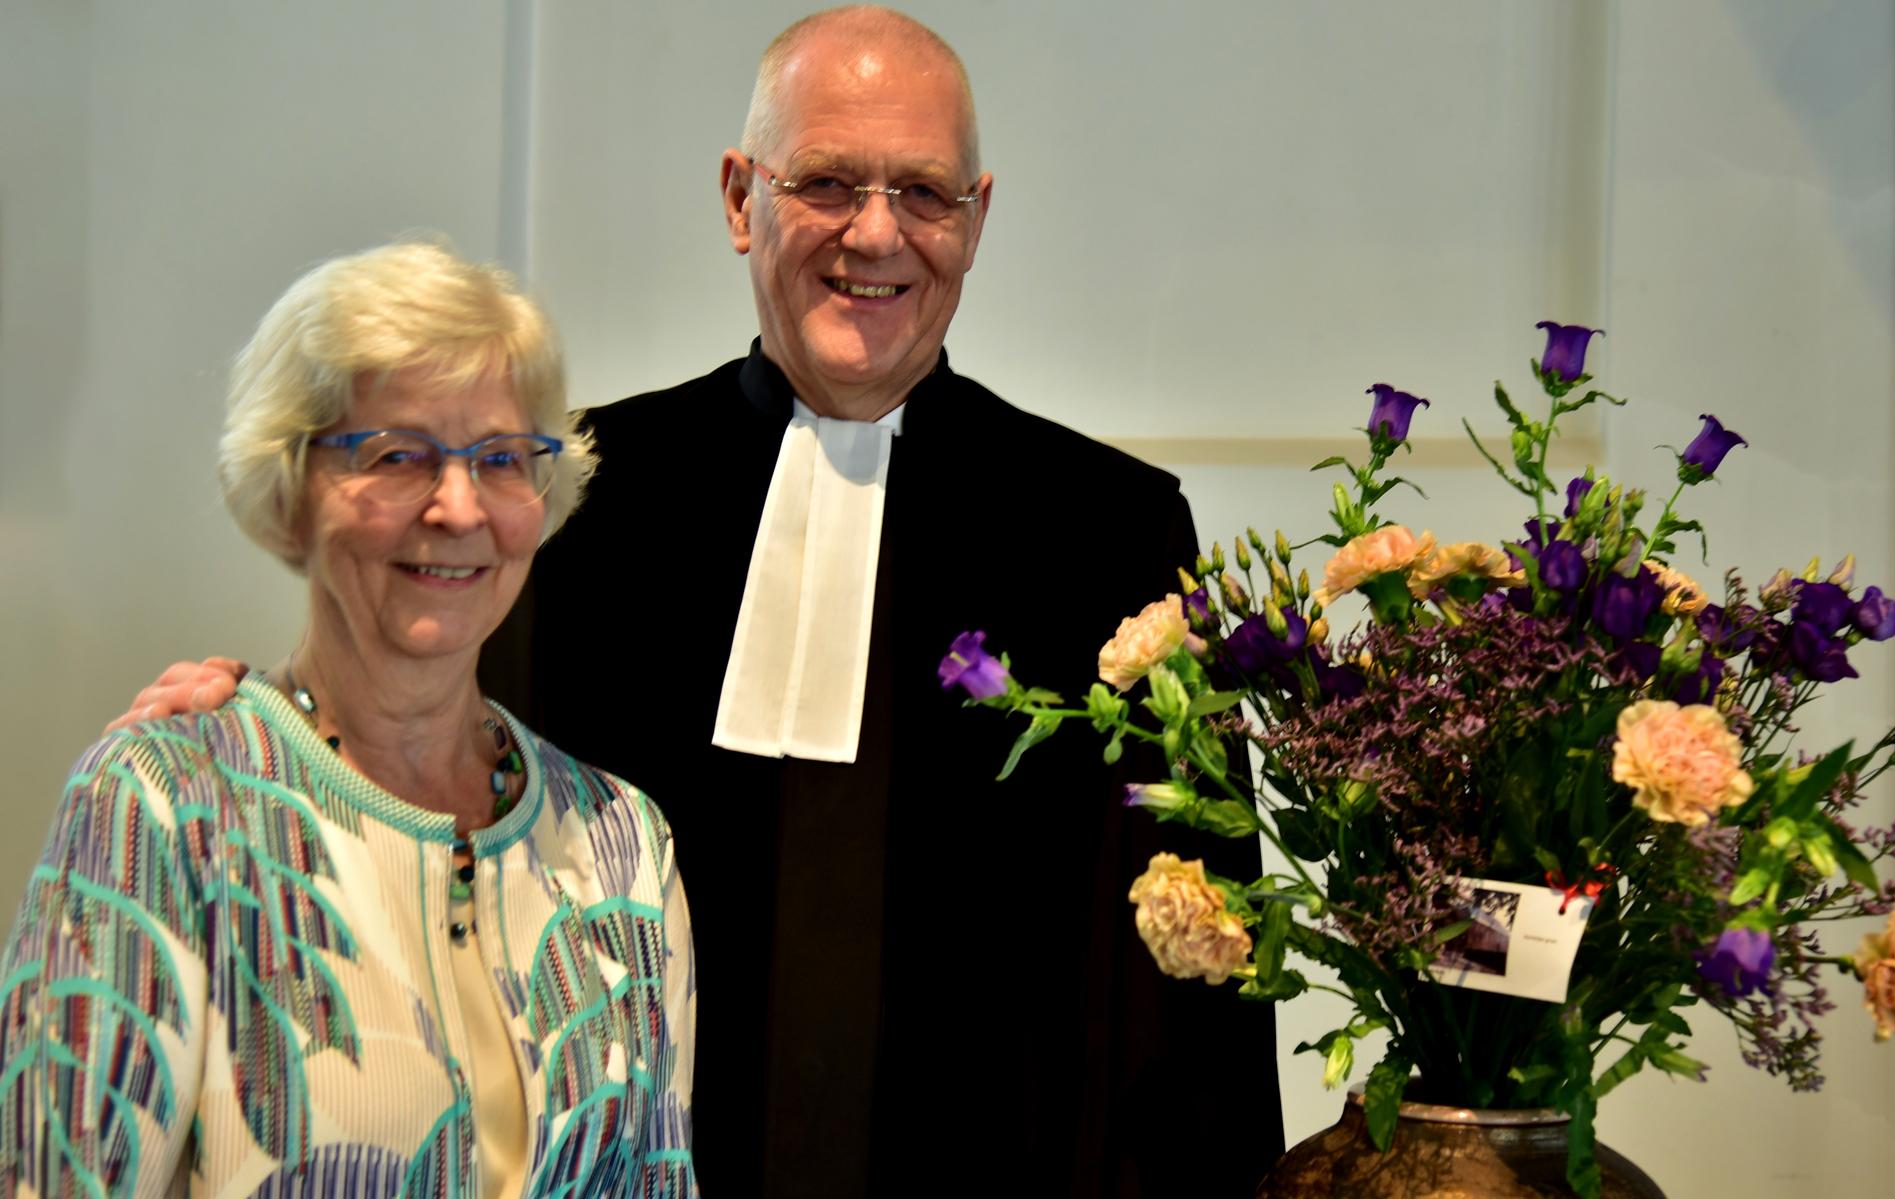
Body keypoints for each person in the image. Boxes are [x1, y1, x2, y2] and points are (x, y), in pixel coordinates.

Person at [112, 8, 1282, 1196]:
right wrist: (255, 722)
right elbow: (412, 759)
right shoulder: (575, 491)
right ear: (741, 198)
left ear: (975, 222)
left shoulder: (1111, 529)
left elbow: (1194, 991)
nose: (876, 232)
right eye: (826, 180)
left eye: (923, 193)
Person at [6, 243, 697, 1197]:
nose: (457, 508)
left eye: (500, 458)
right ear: (290, 492)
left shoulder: (623, 843)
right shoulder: (166, 807)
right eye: (397, 455)